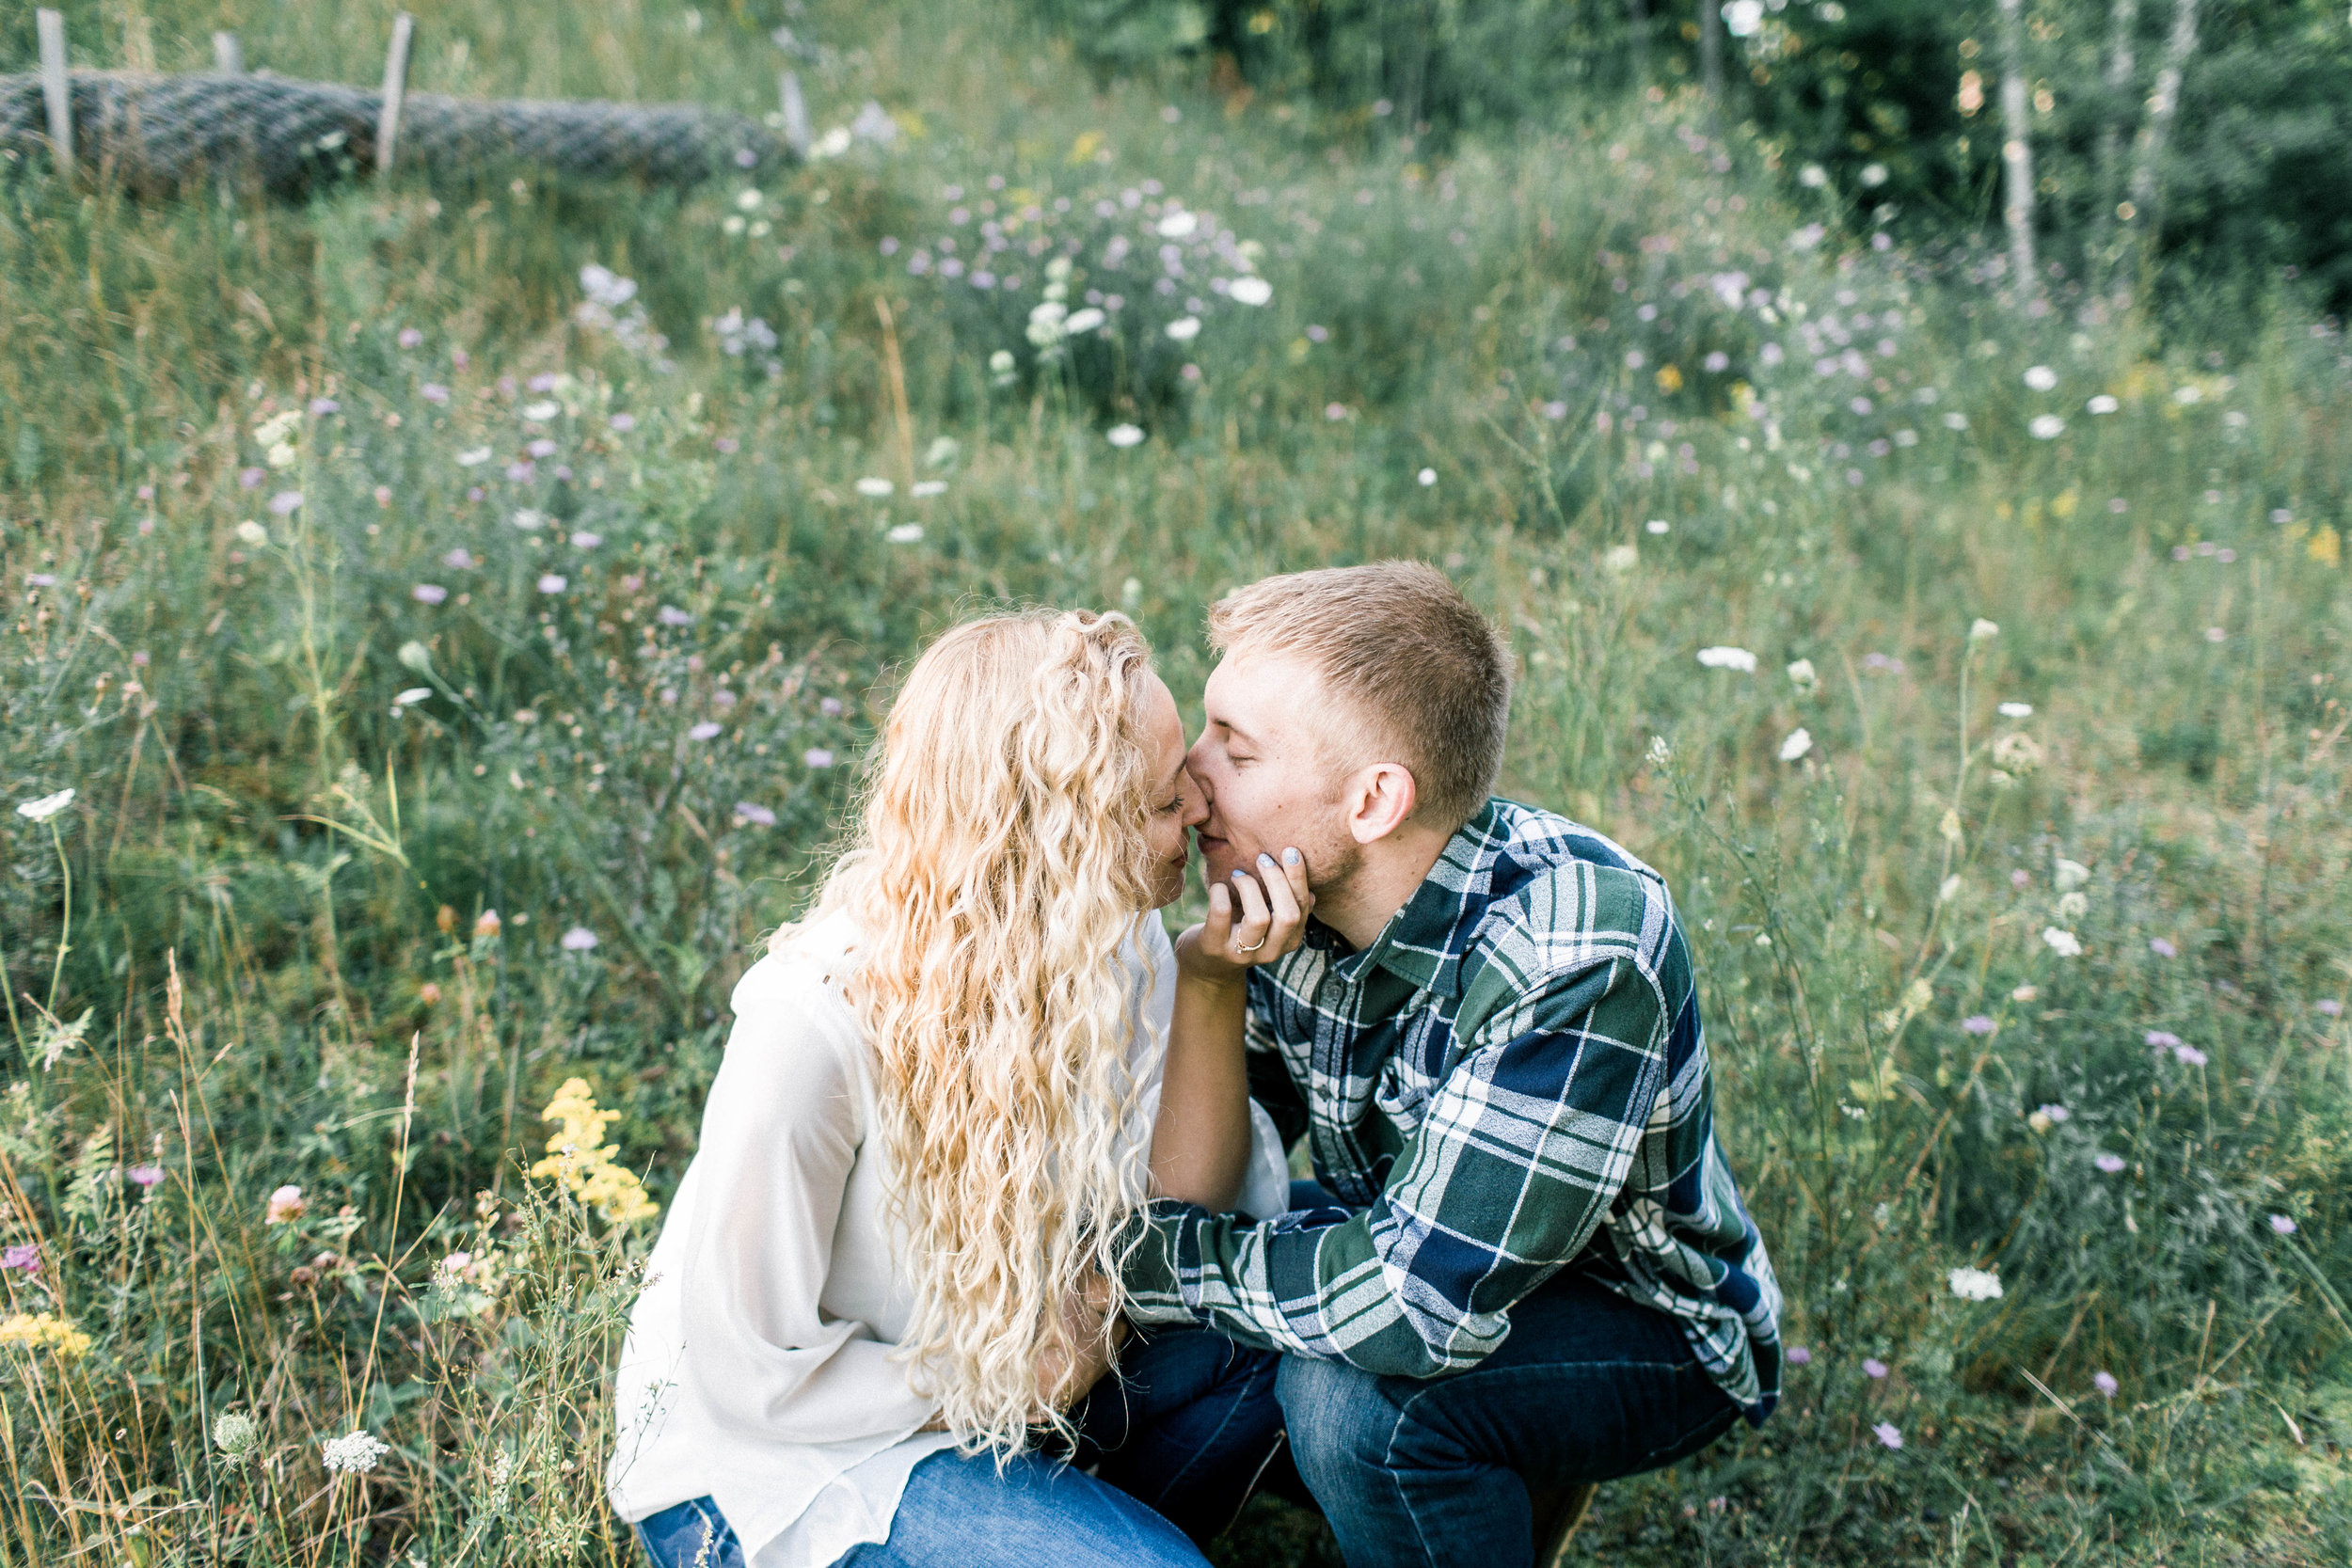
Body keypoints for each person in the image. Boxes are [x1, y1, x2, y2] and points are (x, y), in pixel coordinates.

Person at [608, 609, 1314, 1568]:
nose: (1197, 804)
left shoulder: (1109, 934)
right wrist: (1014, 1369)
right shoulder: (813, 1021)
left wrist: (1211, 981)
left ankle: (1051, 1523)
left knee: (1284, 1308)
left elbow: (1184, 1211)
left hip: (1019, 1393)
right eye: (1156, 803)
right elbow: (750, 1376)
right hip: (798, 1464)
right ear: (1054, 837)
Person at [1118, 562, 1784, 1568]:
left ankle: (1472, 1477)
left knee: (1354, 1405)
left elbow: (1411, 1304)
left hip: (1639, 1316)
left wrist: (1142, 1260)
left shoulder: (1579, 952)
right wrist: (1208, 980)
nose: (1189, 776)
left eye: (1236, 751)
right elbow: (1221, 1173)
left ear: (1374, 800)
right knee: (1147, 1354)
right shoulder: (1285, 899)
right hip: (1409, 1228)